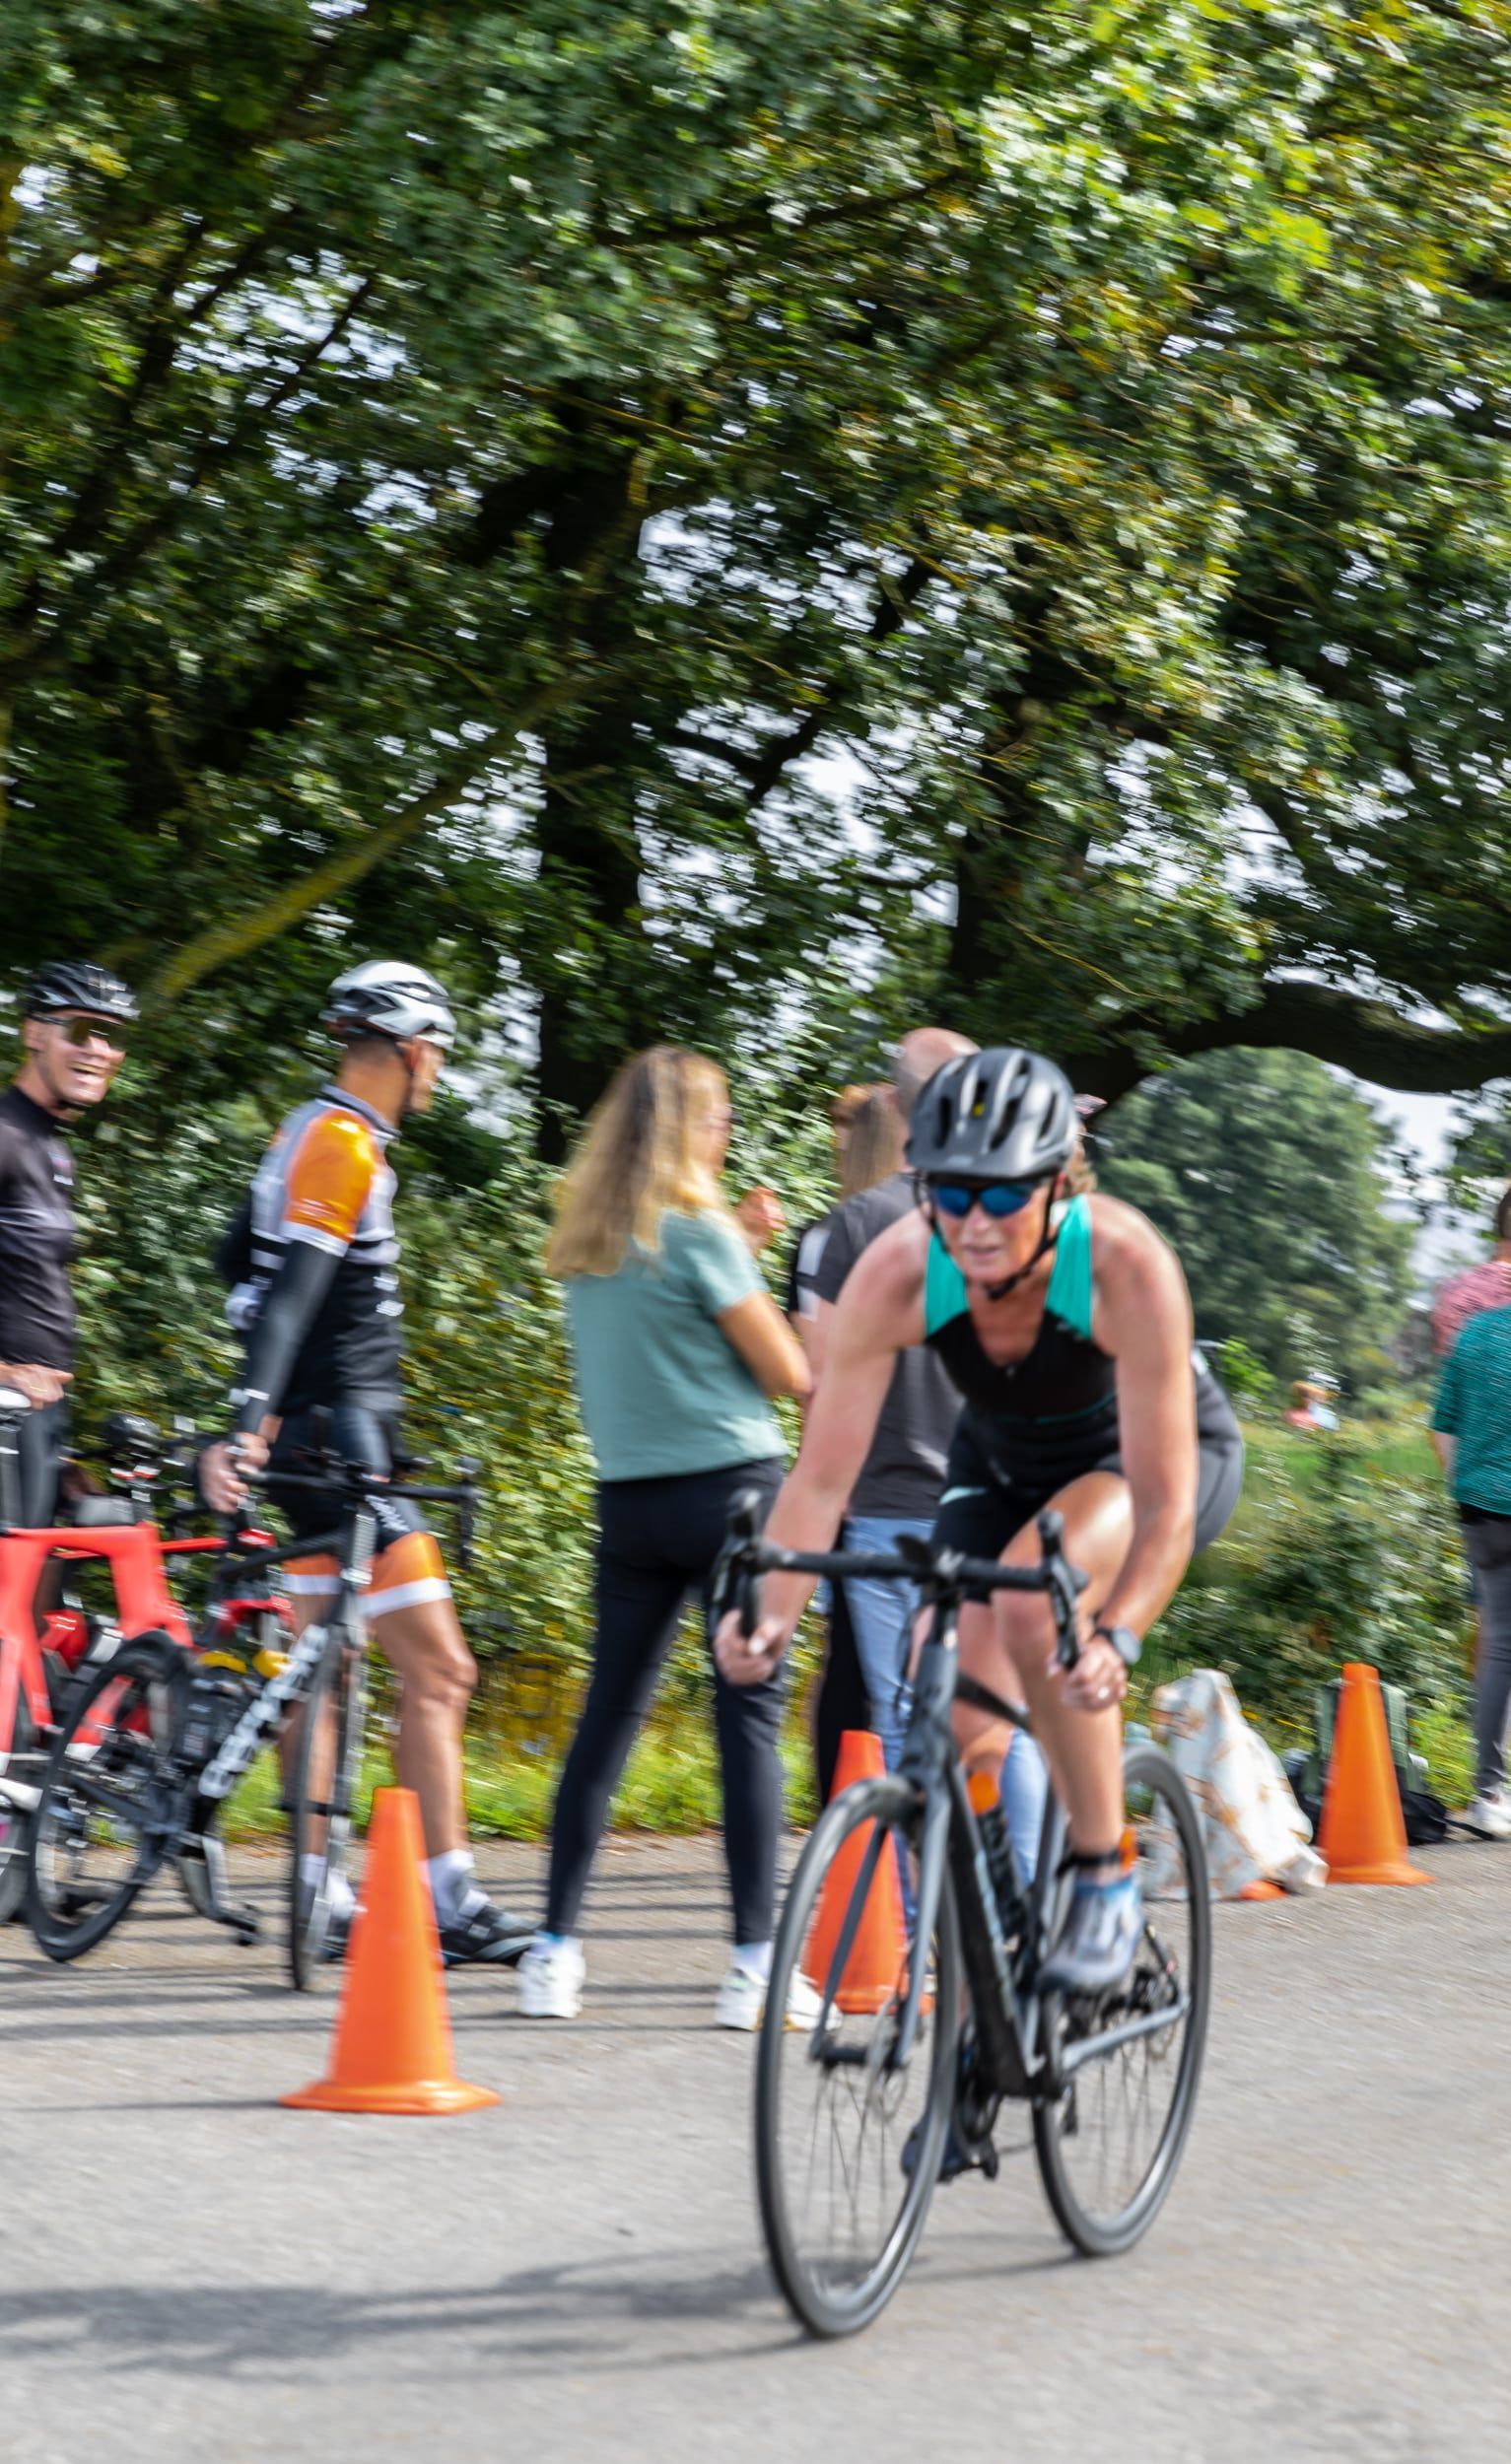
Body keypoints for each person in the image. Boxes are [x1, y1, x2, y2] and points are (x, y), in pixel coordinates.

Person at [717, 1045, 1244, 1993]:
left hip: (1146, 1463)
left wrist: (1117, 1634)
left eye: (1002, 1197)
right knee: (941, 1683)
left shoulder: (1121, 1262)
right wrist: (768, 1612)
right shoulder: (899, 1268)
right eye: (950, 1192)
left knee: (1040, 1616)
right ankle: (995, 1958)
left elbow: (1164, 1506)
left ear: (1058, 1185)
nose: (973, 1222)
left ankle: (1103, 1877)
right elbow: (823, 1478)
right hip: (1001, 1461)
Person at [198, 961, 531, 1964]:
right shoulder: (344, 1146)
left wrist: (261, 1410)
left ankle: (317, 1894)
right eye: (436, 1051)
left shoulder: (306, 1129)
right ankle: (449, 1895)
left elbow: (236, 1257)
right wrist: (250, 1424)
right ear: (404, 1048)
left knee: (325, 1675)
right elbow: (294, 1291)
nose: (438, 1071)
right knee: (440, 1668)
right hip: (343, 1446)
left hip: (313, 1434)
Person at [520, 1045, 812, 2026]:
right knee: (750, 1723)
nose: (727, 1131)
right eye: (719, 1115)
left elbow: (668, 1336)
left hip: (630, 1504)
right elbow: (785, 1372)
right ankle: (754, 1968)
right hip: (734, 1495)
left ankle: (553, 1950)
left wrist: (742, 1246)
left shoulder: (591, 1239)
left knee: (607, 1718)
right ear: (689, 1127)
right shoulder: (700, 1231)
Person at [805, 1048, 971, 1778]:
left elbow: (823, 1383)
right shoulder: (1035, 1220)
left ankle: (905, 1891)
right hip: (992, 1508)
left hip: (880, 1505)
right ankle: (1026, 1885)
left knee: (900, 1716)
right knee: (998, 1723)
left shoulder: (855, 1223)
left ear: (898, 1112)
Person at [0, 962, 136, 1524]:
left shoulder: (52, 1148)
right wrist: (5, 1375)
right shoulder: (5, 1135)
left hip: (35, 1415)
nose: (100, 1050)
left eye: (115, 1036)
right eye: (81, 1031)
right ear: (35, 1034)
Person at [1431, 1292, 1511, 1839]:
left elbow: (1441, 1430)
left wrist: (1470, 1486)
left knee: (1500, 1642)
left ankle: (1488, 1793)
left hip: (1479, 1509)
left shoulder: (1477, 1335)